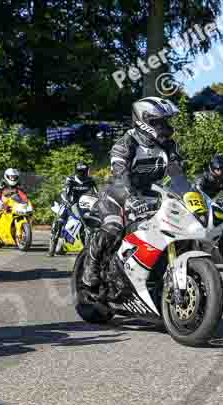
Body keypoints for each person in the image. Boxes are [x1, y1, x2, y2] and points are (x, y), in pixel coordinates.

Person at [81, 96, 189, 290]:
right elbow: (120, 174)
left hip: (151, 196)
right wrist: (130, 198)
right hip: (118, 194)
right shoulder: (125, 144)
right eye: (160, 122)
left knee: (179, 228)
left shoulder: (168, 145)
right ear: (144, 121)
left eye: (166, 121)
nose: (165, 127)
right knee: (113, 228)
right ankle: (92, 264)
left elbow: (177, 175)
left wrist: (190, 195)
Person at [48, 162, 98, 256]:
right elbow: (64, 192)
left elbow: (97, 193)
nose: (82, 174)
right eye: (80, 171)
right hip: (71, 204)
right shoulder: (70, 180)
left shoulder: (90, 180)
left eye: (84, 171)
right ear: (76, 171)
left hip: (86, 204)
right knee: (60, 220)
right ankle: (53, 245)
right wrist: (67, 200)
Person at [0, 168, 25, 250]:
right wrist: (2, 204)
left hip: (12, 203)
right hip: (0, 201)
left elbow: (23, 194)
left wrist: (25, 201)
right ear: (7, 176)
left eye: (14, 177)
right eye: (11, 177)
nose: (13, 178)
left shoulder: (19, 184)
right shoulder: (2, 183)